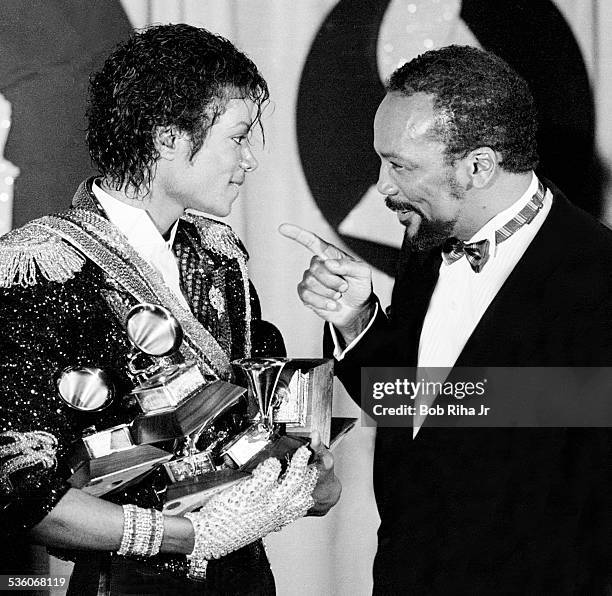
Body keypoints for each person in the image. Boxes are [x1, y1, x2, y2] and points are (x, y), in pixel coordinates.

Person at [0, 24, 340, 595]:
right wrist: (185, 535)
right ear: (166, 138)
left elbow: (254, 439)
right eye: (237, 137)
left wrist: (305, 479)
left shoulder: (218, 255)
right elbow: (20, 490)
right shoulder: (41, 267)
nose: (251, 159)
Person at [281, 45, 612, 594]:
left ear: (479, 166)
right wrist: (358, 319)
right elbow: (411, 411)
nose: (382, 185)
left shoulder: (596, 279)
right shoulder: (430, 245)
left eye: (401, 166)